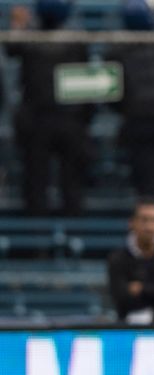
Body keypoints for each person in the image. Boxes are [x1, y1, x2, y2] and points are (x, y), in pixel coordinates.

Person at [6, 0, 93, 215]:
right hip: (51, 119)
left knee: (48, 182)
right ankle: (41, 241)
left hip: (53, 119)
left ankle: (54, 238)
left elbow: (12, 48)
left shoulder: (69, 40)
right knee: (45, 181)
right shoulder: (73, 40)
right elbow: (11, 48)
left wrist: (18, 25)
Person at [105, 0, 154, 199]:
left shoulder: (116, 51)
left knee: (151, 169)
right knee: (147, 167)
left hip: (150, 117)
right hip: (149, 117)